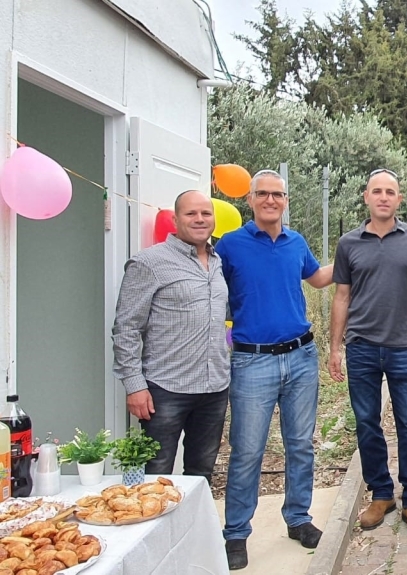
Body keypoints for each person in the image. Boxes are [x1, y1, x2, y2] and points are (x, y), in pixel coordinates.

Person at [216, 169, 334, 570]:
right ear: (249, 199)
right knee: (248, 450)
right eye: (263, 194)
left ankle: (298, 519)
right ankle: (236, 533)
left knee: (300, 445)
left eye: (277, 194)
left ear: (286, 200)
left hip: (301, 357)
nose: (270, 200)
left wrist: (355, 255)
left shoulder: (295, 242)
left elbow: (317, 279)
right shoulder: (230, 245)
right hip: (252, 361)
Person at [328, 168, 407, 539]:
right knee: (366, 422)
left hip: (404, 347)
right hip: (361, 347)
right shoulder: (348, 243)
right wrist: (335, 348)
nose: (384, 197)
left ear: (399, 199)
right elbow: (341, 296)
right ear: (366, 197)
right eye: (377, 191)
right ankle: (381, 493)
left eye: (390, 192)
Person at [112, 190, 229, 485]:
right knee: (155, 477)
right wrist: (134, 385)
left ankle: (192, 519)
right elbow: (126, 328)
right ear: (175, 220)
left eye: (206, 213)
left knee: (201, 475)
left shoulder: (218, 263)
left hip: (214, 389)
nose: (200, 219)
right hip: (165, 390)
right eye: (191, 214)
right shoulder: (149, 263)